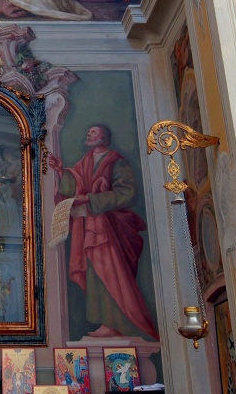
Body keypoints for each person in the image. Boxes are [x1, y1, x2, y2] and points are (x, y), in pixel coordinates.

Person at [50, 124, 158, 339]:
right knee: (95, 274)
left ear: (104, 136)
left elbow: (128, 194)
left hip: (113, 229)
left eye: (93, 131)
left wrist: (92, 199)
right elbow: (75, 184)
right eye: (88, 131)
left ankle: (119, 322)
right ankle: (107, 322)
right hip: (92, 228)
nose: (88, 133)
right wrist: (61, 172)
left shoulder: (116, 162)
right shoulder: (86, 161)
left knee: (110, 273)